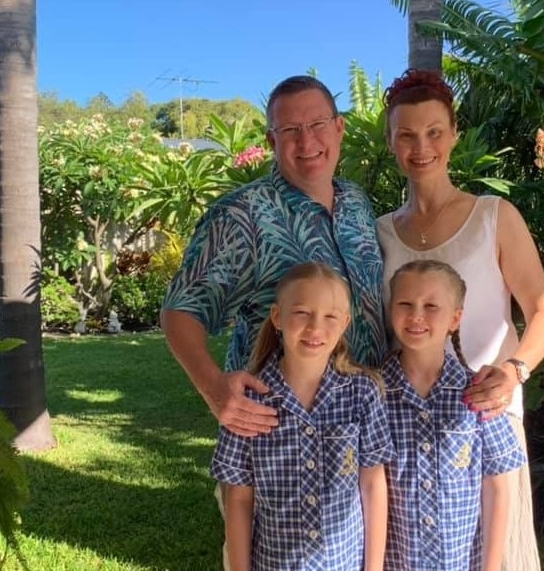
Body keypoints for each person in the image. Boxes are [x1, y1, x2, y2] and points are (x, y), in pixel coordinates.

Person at [161, 75, 388, 569]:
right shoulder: (241, 216)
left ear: (339, 128)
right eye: (289, 130)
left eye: (317, 124)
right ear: (270, 141)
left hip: (358, 431)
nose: (306, 142)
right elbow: (180, 311)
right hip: (277, 442)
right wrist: (213, 387)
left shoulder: (357, 202)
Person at [376, 69, 544, 571]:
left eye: (434, 131)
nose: (421, 147)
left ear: (455, 133)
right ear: (391, 141)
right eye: (407, 135)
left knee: (493, 555)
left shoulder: (493, 216)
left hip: (487, 415)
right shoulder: (381, 234)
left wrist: (514, 371)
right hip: (409, 422)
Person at [211, 262, 393, 571]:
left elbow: (373, 485)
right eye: (302, 313)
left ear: (345, 322)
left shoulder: (363, 394)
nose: (315, 327)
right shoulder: (247, 402)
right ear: (277, 317)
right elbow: (239, 499)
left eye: (330, 316)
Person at [382, 260, 526, 570]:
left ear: (455, 319)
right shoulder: (372, 394)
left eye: (431, 305)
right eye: (405, 303)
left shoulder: (478, 394)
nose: (416, 314)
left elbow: (498, 487)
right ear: (390, 309)